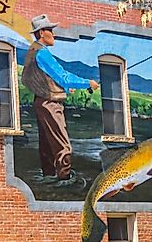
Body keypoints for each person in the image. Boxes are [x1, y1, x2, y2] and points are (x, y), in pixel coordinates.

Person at [21, 14, 99, 182]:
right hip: (50, 104)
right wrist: (88, 83)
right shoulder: (42, 53)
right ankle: (65, 181)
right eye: (51, 30)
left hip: (40, 102)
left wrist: (61, 87)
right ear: (42, 32)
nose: (54, 34)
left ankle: (48, 178)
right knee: (64, 147)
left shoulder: (32, 51)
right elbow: (63, 76)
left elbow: (38, 78)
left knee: (47, 146)